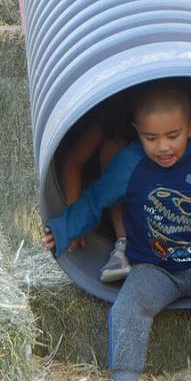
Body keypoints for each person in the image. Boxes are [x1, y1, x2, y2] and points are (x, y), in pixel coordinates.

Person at [43, 82, 191, 381]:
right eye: (150, 137)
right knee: (127, 310)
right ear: (136, 131)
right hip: (155, 271)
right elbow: (95, 200)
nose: (163, 147)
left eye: (173, 135)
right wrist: (61, 230)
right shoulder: (130, 163)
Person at [57, 100, 131, 282]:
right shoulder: (115, 113)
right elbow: (73, 162)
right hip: (119, 196)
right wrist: (75, 220)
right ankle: (123, 244)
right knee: (114, 150)